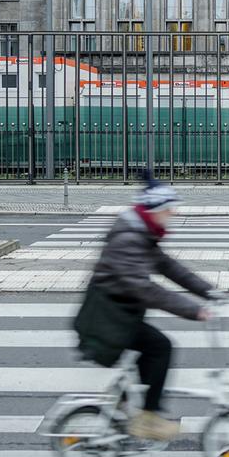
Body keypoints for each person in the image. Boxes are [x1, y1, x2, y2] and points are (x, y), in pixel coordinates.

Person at [76, 172, 217, 442]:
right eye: (168, 209)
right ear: (154, 210)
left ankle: (122, 400)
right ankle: (148, 419)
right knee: (160, 347)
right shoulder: (129, 238)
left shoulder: (140, 232)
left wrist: (208, 290)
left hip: (117, 313)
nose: (172, 214)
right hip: (108, 318)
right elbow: (145, 289)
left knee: (150, 352)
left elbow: (168, 267)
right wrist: (193, 310)